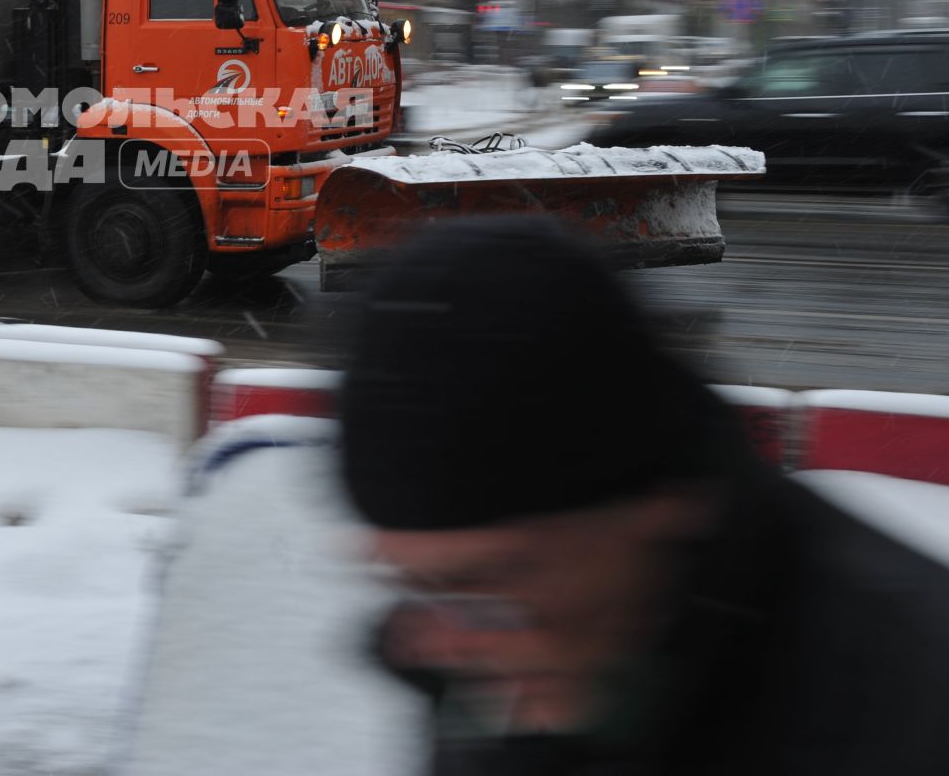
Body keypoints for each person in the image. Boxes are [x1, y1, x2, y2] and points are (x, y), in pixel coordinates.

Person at [336, 216, 949, 774]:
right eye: (416, 582)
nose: (450, 642)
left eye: (496, 574)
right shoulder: (508, 656)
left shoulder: (910, 701)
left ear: (661, 503)